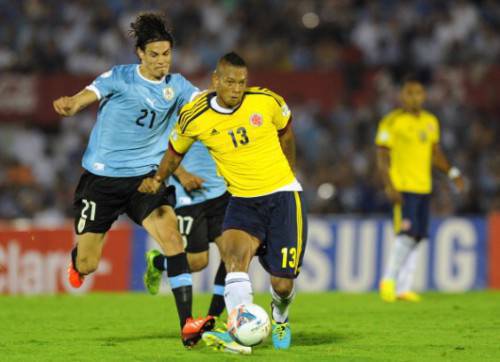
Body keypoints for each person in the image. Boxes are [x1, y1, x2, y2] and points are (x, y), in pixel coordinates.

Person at [52, 12, 214, 346]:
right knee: (88, 264)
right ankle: (76, 261)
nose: (161, 61)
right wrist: (71, 104)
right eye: (154, 55)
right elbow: (86, 96)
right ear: (140, 53)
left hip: (145, 181)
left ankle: (187, 324)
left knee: (172, 238)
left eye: (166, 54)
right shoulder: (120, 78)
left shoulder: (178, 86)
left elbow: (205, 104)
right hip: (102, 181)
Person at [138, 52, 307, 354]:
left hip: (282, 197)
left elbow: (287, 134)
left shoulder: (267, 101)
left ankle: (280, 317)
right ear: (215, 80)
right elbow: (174, 152)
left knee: (282, 284)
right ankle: (239, 330)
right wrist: (158, 179)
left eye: (242, 82)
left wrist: (289, 172)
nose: (236, 88)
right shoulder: (195, 116)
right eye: (230, 81)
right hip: (241, 200)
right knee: (233, 261)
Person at [376, 76, 465, 302]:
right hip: (403, 187)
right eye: (409, 93)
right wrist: (389, 185)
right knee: (405, 234)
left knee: (417, 237)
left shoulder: (430, 121)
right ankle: (388, 280)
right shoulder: (391, 121)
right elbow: (382, 156)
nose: (414, 97)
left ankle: (403, 288)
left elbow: (436, 154)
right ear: (401, 96)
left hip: (424, 187)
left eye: (418, 93)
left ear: (424, 96)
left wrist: (453, 173)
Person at [143, 136, 230, 321]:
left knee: (232, 255)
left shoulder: (220, 109)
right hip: (188, 198)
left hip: (221, 193)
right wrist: (182, 175)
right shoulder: (177, 110)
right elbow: (159, 148)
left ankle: (212, 319)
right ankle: (158, 262)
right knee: (198, 262)